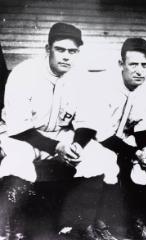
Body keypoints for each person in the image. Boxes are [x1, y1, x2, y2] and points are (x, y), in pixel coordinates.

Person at [0, 22, 119, 240]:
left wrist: (76, 146)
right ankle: (7, 227)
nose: (66, 57)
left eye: (72, 51)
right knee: (17, 161)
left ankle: (82, 225)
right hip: (21, 136)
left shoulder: (82, 77)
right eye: (60, 50)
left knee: (103, 157)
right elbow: (19, 126)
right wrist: (57, 147)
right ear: (47, 49)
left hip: (60, 136)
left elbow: (88, 120)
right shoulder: (24, 73)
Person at [72, 37, 146, 240]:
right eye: (133, 64)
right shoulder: (103, 84)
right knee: (105, 158)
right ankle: (107, 223)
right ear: (121, 64)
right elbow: (101, 132)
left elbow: (144, 126)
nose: (139, 70)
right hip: (94, 140)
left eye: (145, 65)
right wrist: (136, 153)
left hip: (124, 140)